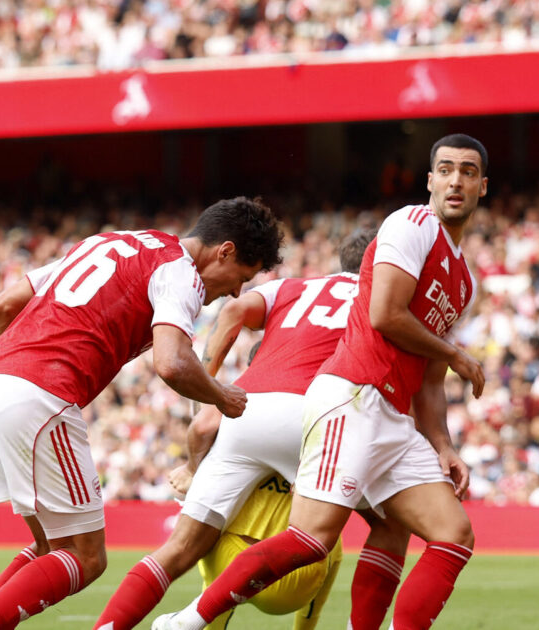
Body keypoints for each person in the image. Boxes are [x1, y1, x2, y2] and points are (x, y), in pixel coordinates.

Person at [153, 133, 488, 630]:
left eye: (467, 171)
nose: (455, 180)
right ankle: (189, 620)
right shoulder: (411, 224)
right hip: (352, 396)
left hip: (393, 415)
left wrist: (442, 444)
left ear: (483, 185)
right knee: (312, 538)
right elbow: (385, 315)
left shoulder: (465, 279)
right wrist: (458, 354)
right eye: (445, 169)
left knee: (453, 533)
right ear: (430, 181)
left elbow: (431, 380)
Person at [0, 197, 283, 630]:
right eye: (241, 278)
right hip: (37, 393)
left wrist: (14, 369)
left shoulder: (110, 241)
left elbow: (6, 302)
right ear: (224, 250)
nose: (235, 292)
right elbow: (171, 362)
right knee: (86, 557)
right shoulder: (180, 272)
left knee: (49, 548)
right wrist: (222, 397)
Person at [94, 228, 410, 630]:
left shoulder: (292, 287)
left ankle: (108, 627)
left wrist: (208, 393)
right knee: (390, 524)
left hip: (248, 411)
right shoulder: (390, 302)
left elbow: (232, 312)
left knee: (180, 547)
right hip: (319, 415)